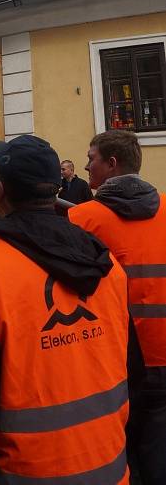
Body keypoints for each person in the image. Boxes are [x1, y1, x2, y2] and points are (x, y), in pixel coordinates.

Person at [0, 134, 130, 485]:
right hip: (110, 468)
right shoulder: (107, 264)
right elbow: (133, 372)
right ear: (56, 190)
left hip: (26, 474)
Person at [69, 129, 166, 485]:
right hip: (163, 356)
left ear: (111, 165)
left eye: (91, 158)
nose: (85, 165)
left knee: (113, 454)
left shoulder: (81, 219)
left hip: (114, 361)